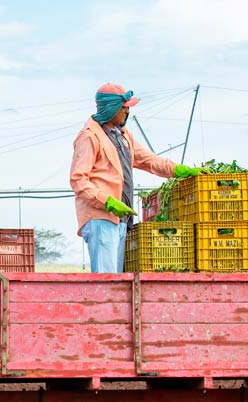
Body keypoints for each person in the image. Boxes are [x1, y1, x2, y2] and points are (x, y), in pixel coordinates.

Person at [70, 83, 203, 273]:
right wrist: (106, 201)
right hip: (100, 217)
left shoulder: (123, 136)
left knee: (116, 280)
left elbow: (150, 161)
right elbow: (78, 179)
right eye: (124, 108)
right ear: (112, 108)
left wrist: (179, 170)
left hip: (120, 218)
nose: (127, 112)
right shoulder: (89, 137)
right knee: (106, 278)